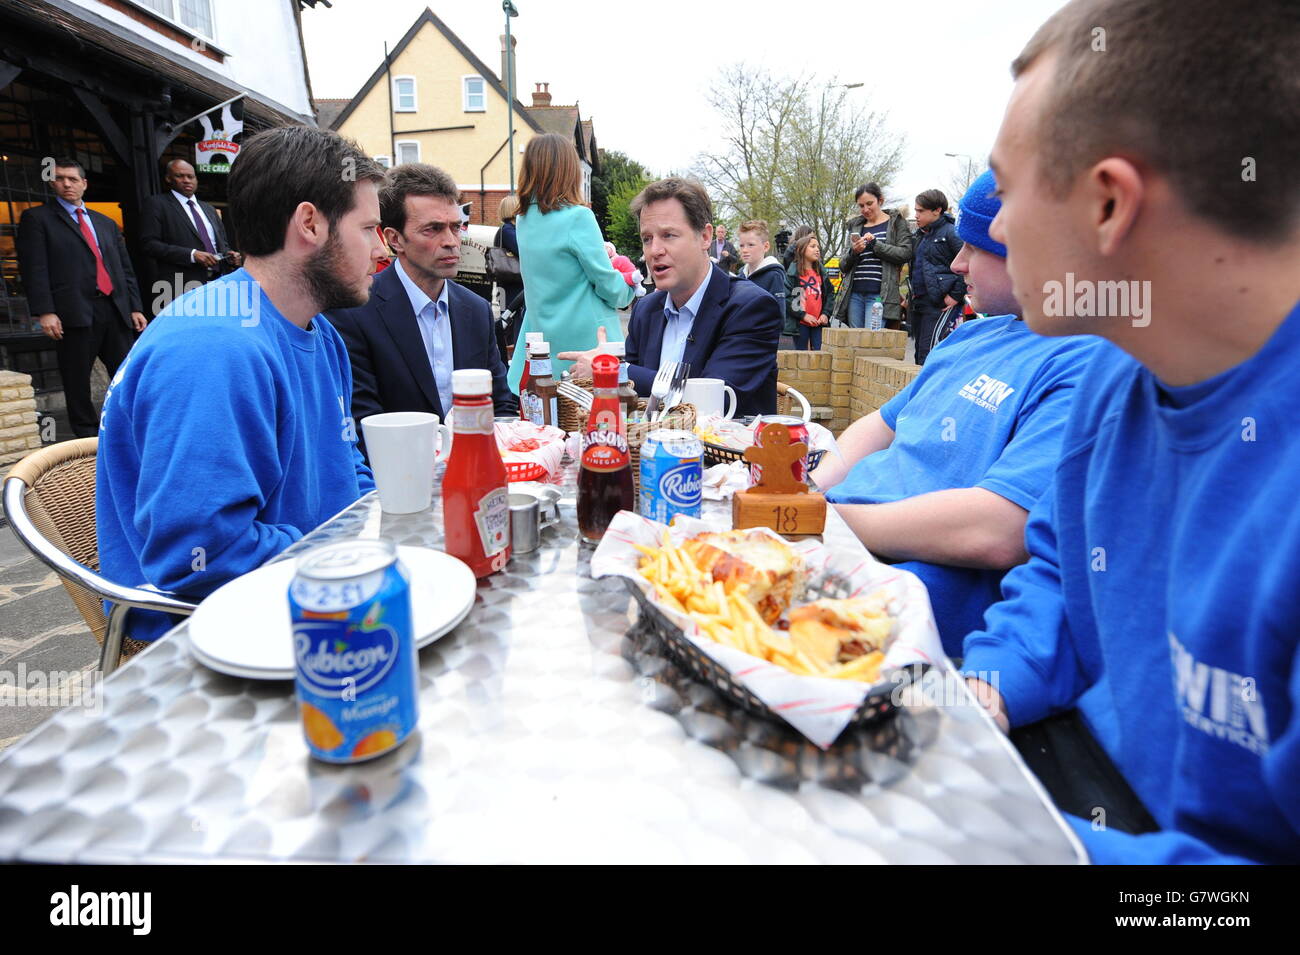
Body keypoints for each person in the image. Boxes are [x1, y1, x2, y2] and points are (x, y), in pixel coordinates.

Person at [960, 0, 1300, 864]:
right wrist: (981, 693)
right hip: (1087, 796)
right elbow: (1062, 577)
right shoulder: (1116, 366)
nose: (992, 229)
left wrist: (982, 844)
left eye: (1004, 190)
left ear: (1109, 203)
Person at [96, 126, 384, 643]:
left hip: (311, 591)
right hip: (216, 633)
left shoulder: (318, 331)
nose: (383, 250)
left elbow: (346, 474)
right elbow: (198, 560)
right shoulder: (215, 348)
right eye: (368, 229)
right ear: (310, 224)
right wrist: (346, 558)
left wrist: (392, 529)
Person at [811, 169, 1101, 652]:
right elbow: (878, 427)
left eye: (974, 249)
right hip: (830, 540)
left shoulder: (1086, 360)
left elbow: (1001, 528)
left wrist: (828, 520)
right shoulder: (971, 334)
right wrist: (808, 492)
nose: (959, 264)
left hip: (889, 607)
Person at [328, 163, 517, 451]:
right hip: (399, 479)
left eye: (456, 227)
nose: (451, 242)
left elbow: (501, 407)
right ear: (394, 239)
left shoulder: (476, 311)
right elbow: (363, 425)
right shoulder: (354, 312)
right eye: (433, 229)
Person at [560, 178, 780, 417]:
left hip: (724, 453)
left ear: (705, 237)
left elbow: (710, 404)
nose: (654, 251)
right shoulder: (646, 310)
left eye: (669, 235)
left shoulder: (751, 307)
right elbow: (631, 401)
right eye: (647, 238)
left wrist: (614, 370)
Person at [15, 158, 147, 438]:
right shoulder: (37, 219)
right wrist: (45, 311)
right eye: (60, 178)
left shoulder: (106, 223)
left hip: (114, 309)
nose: (67, 184)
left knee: (126, 374)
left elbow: (124, 269)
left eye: (73, 179)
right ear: (52, 182)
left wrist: (135, 306)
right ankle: (86, 439)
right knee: (77, 382)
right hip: (72, 311)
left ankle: (132, 427)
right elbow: (34, 268)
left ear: (84, 184)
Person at [505, 133, 635, 390]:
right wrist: (628, 290)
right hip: (587, 340)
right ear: (568, 170)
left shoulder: (523, 220)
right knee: (600, 422)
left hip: (544, 339)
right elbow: (606, 283)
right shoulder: (578, 217)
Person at [138, 158, 239, 315]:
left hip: (217, 281)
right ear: (168, 179)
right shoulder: (157, 204)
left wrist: (230, 256)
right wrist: (191, 255)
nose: (186, 180)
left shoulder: (208, 209)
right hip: (181, 284)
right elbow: (149, 244)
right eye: (180, 176)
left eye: (190, 177)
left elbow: (221, 244)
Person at [831, 183, 914, 330]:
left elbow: (905, 253)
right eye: (861, 206)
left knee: (872, 341)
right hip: (854, 294)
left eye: (869, 204)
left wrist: (876, 245)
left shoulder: (896, 222)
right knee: (855, 342)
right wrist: (853, 252)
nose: (865, 209)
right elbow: (843, 265)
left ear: (880, 200)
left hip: (879, 296)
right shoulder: (856, 226)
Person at [909, 189, 965, 365]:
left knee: (928, 355)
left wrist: (955, 295)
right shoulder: (921, 235)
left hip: (939, 303)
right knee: (919, 354)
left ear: (937, 210)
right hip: (920, 302)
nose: (916, 215)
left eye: (920, 211)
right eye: (915, 210)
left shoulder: (951, 232)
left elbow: (968, 264)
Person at [734, 220, 786, 339]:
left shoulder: (774, 276)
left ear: (766, 246)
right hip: (739, 340)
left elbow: (779, 318)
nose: (744, 250)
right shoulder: (740, 276)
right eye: (742, 245)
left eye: (751, 245)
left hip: (761, 342)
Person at [783, 233, 833, 351]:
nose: (817, 250)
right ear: (801, 250)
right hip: (800, 323)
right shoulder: (794, 273)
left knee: (820, 355)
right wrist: (803, 315)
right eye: (812, 246)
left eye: (818, 247)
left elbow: (830, 294)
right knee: (801, 355)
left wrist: (825, 313)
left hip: (818, 323)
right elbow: (789, 298)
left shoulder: (821, 272)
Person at [492, 193, 524, 361]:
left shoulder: (507, 230)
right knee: (510, 321)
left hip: (507, 284)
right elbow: (524, 251)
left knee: (509, 319)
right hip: (511, 285)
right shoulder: (508, 230)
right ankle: (509, 357)